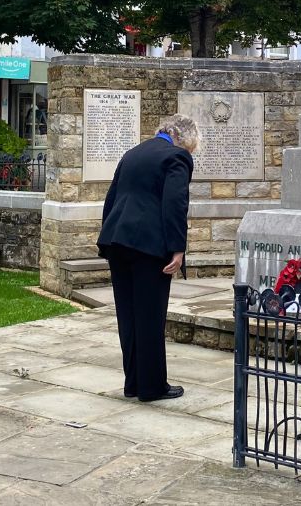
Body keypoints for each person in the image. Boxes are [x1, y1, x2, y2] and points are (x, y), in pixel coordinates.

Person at [97, 114, 200, 402]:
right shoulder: (176, 157)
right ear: (184, 138)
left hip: (117, 240)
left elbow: (112, 198)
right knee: (150, 316)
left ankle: (133, 383)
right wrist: (178, 248)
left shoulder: (133, 153)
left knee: (128, 316)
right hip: (148, 246)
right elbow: (175, 204)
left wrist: (107, 238)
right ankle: (152, 386)